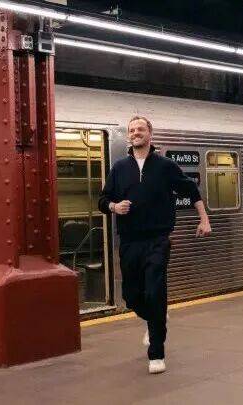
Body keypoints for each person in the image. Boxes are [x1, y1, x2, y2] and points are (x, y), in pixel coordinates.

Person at [98, 116, 212, 374]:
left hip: (158, 240)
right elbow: (103, 199)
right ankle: (155, 317)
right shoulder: (119, 168)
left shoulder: (165, 166)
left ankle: (156, 353)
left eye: (140, 129)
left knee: (155, 292)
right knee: (131, 296)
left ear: (150, 133)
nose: (135, 133)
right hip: (129, 241)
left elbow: (191, 191)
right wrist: (114, 206)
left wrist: (204, 219)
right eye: (131, 130)